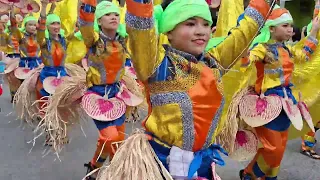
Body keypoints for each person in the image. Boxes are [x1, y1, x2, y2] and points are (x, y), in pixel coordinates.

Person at [93, 0, 275, 179]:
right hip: (161, 166)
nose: (201, 31)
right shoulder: (158, 65)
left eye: (206, 24)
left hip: (202, 164)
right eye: (190, 23)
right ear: (169, 32)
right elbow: (141, 34)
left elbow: (243, 34)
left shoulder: (213, 62)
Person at [236, 5, 320, 180]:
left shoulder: (286, 49)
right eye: (285, 26)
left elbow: (303, 55)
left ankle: (261, 176)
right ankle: (250, 173)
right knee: (272, 149)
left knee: (278, 148)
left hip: (286, 104)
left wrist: (315, 30)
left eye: (291, 25)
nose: (290, 29)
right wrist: (243, 46)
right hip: (267, 106)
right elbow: (245, 62)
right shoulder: (262, 48)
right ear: (272, 28)